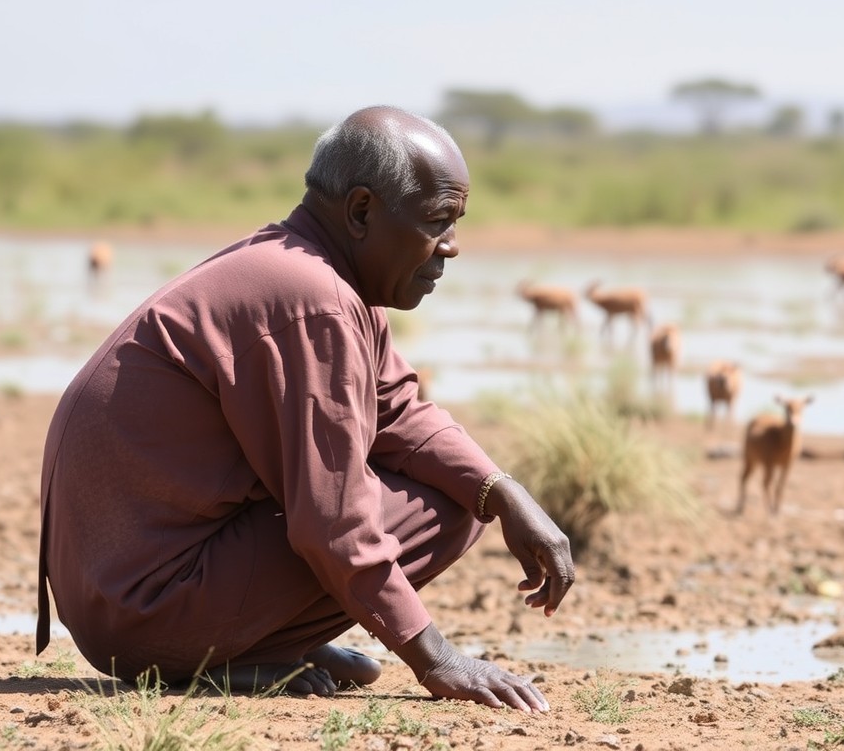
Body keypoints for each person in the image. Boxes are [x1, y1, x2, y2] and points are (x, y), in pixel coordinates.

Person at [36, 106, 574, 712]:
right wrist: (438, 659)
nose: (450, 247)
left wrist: (505, 493)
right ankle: (219, 657)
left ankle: (261, 642)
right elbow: (333, 521)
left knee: (470, 489)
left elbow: (395, 412)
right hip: (146, 615)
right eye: (436, 221)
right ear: (362, 211)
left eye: (456, 222)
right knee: (448, 507)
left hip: (113, 598)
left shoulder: (310, 270)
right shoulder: (312, 300)